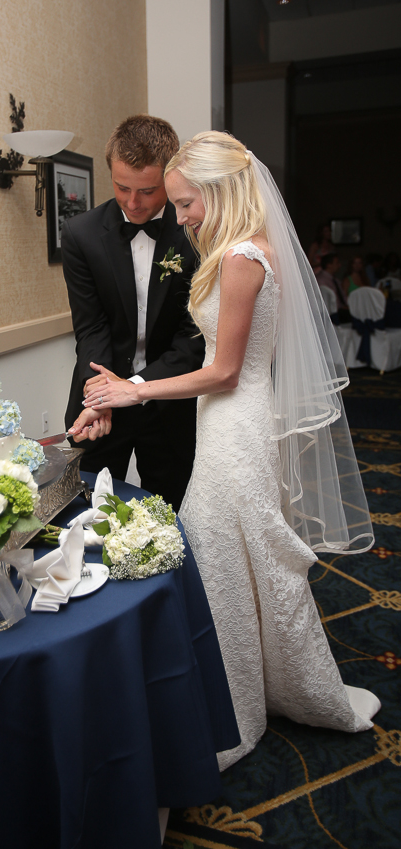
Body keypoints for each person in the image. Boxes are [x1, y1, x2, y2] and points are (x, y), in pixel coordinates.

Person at [83, 131, 380, 769]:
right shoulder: (238, 248)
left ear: (221, 192)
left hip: (237, 427)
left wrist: (135, 391)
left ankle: (236, 714)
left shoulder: (244, 256)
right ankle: (249, 693)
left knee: (227, 558)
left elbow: (223, 371)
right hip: (225, 423)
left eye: (187, 202)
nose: (180, 215)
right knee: (235, 560)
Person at [63, 115, 204, 511]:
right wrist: (102, 394)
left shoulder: (195, 233)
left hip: (170, 401)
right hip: (101, 402)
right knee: (90, 512)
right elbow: (91, 328)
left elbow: (192, 336)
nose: (132, 202)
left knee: (172, 514)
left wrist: (136, 387)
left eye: (147, 191)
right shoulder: (81, 234)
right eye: (122, 187)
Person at [315, 252, 350, 323]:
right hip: (331, 313)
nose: (339, 265)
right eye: (337, 263)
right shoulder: (321, 280)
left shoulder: (335, 280)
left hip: (340, 310)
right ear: (329, 265)